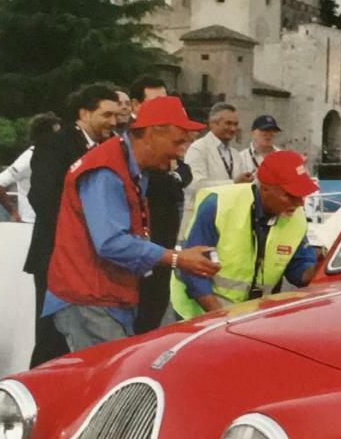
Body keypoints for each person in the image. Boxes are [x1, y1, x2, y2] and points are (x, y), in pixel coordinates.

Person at [42, 96, 219, 354]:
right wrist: (177, 259)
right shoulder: (106, 170)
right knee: (113, 380)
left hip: (109, 295)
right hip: (88, 298)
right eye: (178, 142)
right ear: (150, 134)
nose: (181, 152)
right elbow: (111, 243)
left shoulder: (129, 165)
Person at [25, 83, 122, 366]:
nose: (113, 122)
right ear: (84, 112)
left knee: (87, 337)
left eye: (116, 116)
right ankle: (39, 397)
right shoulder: (55, 143)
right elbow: (41, 197)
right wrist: (79, 228)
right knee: (52, 337)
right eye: (106, 115)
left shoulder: (113, 146)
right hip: (56, 253)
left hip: (93, 258)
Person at [169, 150, 319, 320]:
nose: (299, 203)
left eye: (302, 195)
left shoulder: (295, 216)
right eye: (290, 195)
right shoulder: (219, 206)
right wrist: (221, 318)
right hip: (201, 312)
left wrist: (320, 263)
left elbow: (299, 272)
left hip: (249, 316)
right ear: (266, 189)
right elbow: (194, 271)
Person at [129, 76, 194, 334]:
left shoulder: (168, 144)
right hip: (140, 250)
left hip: (162, 244)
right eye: (156, 102)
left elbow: (185, 173)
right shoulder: (124, 152)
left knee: (152, 315)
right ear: (135, 104)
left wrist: (174, 176)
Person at [185, 103, 252, 222]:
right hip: (201, 219)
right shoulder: (198, 148)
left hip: (227, 219)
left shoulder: (235, 154)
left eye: (235, 124)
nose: (233, 129)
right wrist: (233, 183)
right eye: (228, 123)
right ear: (213, 123)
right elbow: (194, 185)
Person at [0, 112, 60, 223]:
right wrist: (13, 213)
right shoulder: (28, 159)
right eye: (57, 132)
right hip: (31, 222)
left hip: (54, 221)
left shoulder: (57, 155)